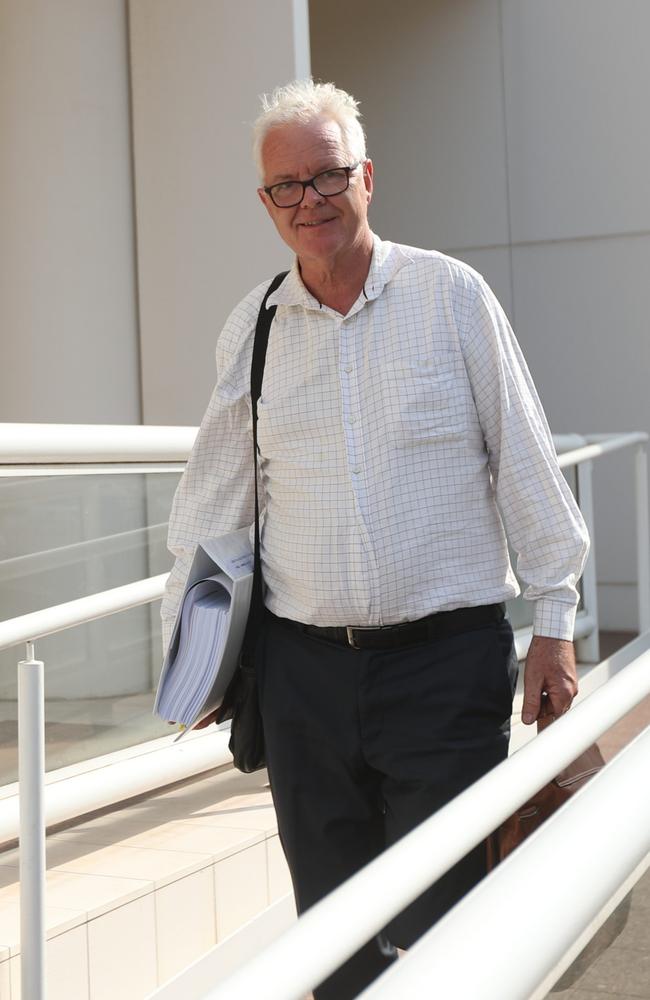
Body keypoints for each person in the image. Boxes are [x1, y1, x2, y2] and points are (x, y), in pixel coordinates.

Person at [162, 80, 589, 999]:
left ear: (366, 176)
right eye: (286, 187)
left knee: (446, 921)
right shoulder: (257, 327)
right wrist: (191, 659)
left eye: (326, 178)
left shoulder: (450, 297)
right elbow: (213, 507)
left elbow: (523, 457)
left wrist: (554, 621)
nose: (309, 202)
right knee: (333, 926)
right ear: (265, 202)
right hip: (303, 679)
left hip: (445, 665)